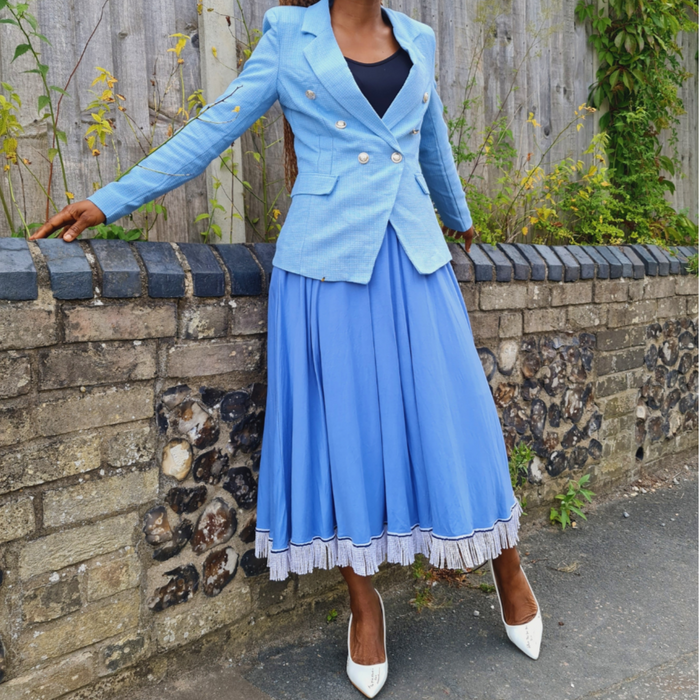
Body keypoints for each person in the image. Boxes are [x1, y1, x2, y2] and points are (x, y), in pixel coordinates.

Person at [29, 0, 542, 696]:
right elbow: (214, 129)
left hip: (416, 262)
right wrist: (109, 201)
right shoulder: (289, 38)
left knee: (460, 417)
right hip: (326, 267)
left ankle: (505, 564)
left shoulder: (417, 38)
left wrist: (458, 216)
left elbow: (430, 145)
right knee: (341, 435)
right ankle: (363, 603)